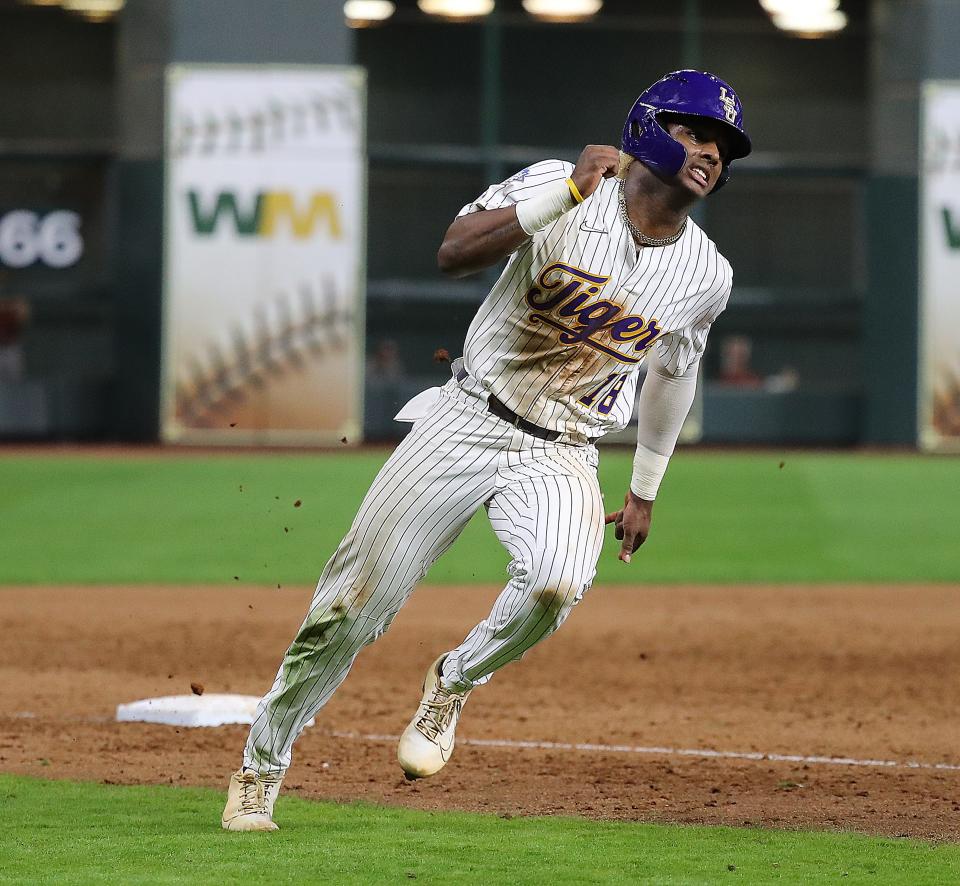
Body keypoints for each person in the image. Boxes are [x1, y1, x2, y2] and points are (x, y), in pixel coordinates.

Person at [221, 69, 752, 831]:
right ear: (645, 126)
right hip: (466, 416)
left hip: (567, 445)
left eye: (723, 147)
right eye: (695, 132)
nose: (710, 154)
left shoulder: (707, 274)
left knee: (555, 584)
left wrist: (645, 487)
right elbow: (454, 252)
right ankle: (259, 770)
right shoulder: (563, 185)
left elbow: (674, 372)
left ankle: (453, 682)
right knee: (348, 612)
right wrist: (562, 196)